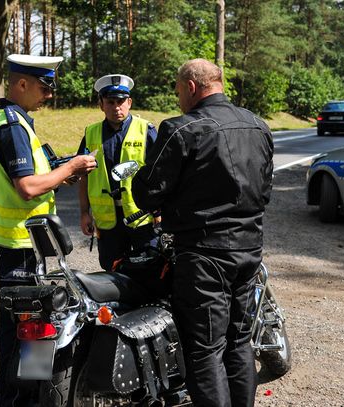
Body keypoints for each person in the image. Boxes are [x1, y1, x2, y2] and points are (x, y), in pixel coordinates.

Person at [131, 58, 274, 407]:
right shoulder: (259, 126)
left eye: (179, 90)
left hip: (204, 254)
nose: (178, 97)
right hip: (249, 251)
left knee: (205, 349)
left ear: (192, 87)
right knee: (240, 342)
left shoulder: (181, 129)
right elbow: (265, 191)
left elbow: (147, 192)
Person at [0, 54, 97, 407]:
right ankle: (23, 400)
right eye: (44, 88)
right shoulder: (12, 127)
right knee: (30, 334)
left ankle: (19, 398)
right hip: (22, 247)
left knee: (25, 331)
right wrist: (73, 166)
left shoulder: (8, 119)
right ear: (21, 84)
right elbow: (28, 186)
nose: (48, 95)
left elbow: (36, 175)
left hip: (21, 244)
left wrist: (63, 170)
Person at [77, 74, 158, 271]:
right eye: (110, 102)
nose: (116, 107)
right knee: (112, 269)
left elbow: (159, 173)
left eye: (121, 101)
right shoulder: (91, 133)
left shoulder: (145, 130)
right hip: (107, 219)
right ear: (101, 105)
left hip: (141, 216)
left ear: (129, 102)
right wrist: (84, 213)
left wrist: (159, 211)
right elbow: (83, 176)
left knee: (149, 267)